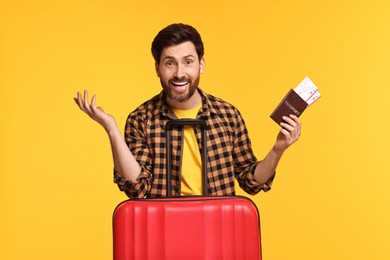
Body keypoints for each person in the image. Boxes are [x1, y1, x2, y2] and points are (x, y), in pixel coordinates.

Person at [74, 23, 301, 198]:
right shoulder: (140, 119)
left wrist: (278, 148)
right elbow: (136, 187)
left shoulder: (228, 115)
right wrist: (112, 129)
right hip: (163, 236)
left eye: (188, 62)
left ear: (201, 64)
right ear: (157, 68)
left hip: (217, 233)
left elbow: (251, 181)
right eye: (170, 63)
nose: (179, 73)